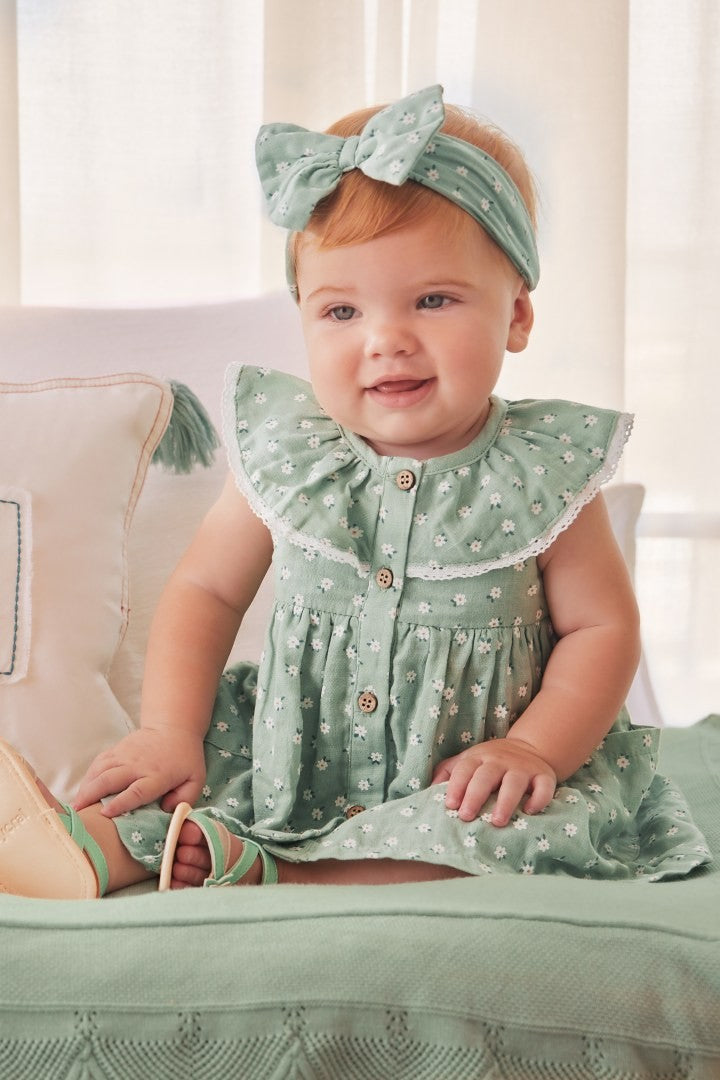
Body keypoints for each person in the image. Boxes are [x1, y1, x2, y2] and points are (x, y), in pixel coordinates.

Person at [0, 85, 710, 899]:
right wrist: (168, 728)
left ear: (516, 315)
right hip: (294, 758)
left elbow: (601, 627)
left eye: (433, 300)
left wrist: (534, 749)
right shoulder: (291, 455)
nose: (386, 340)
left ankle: (280, 871)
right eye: (341, 310)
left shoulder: (538, 474)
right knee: (182, 781)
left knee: (496, 833)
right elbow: (205, 590)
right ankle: (85, 850)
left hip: (464, 779)